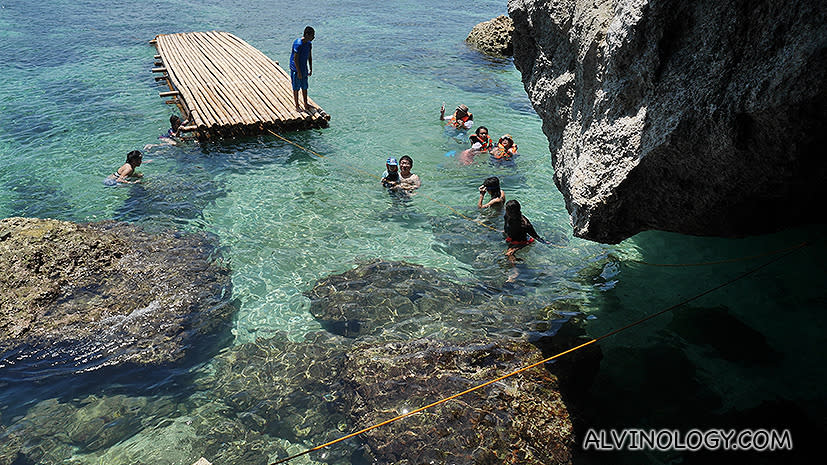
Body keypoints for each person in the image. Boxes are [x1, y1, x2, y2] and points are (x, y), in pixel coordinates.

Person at [290, 26, 315, 112]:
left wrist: (311, 68)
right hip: (296, 68)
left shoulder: (309, 44)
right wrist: (299, 72)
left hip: (303, 67)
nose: (314, 37)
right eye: (312, 36)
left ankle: (305, 103)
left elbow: (309, 56)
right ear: (307, 35)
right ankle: (297, 105)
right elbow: (295, 59)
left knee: (304, 86)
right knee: (296, 87)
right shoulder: (298, 44)